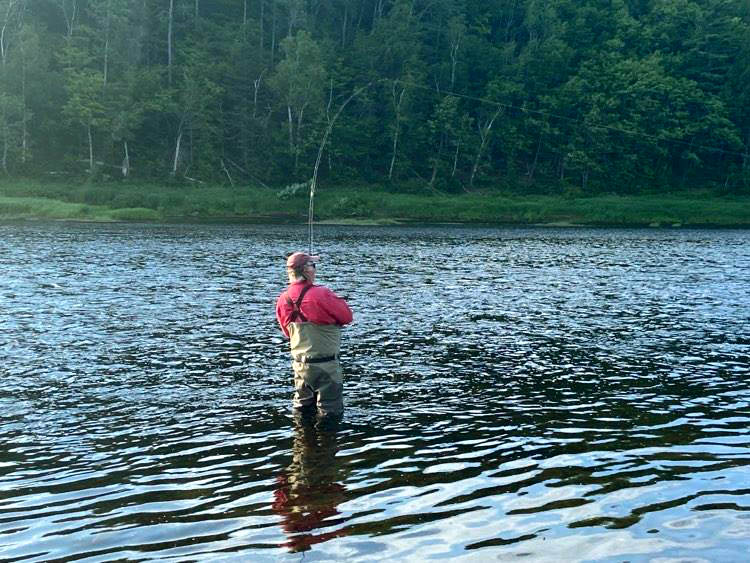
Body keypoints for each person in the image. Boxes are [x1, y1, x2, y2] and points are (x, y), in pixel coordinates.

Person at [276, 252, 353, 417]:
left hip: (300, 367)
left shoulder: (283, 298)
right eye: (313, 265)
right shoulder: (321, 293)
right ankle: (327, 434)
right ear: (306, 270)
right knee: (330, 413)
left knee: (302, 409)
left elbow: (287, 332)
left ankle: (300, 434)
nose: (315, 269)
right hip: (326, 366)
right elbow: (347, 317)